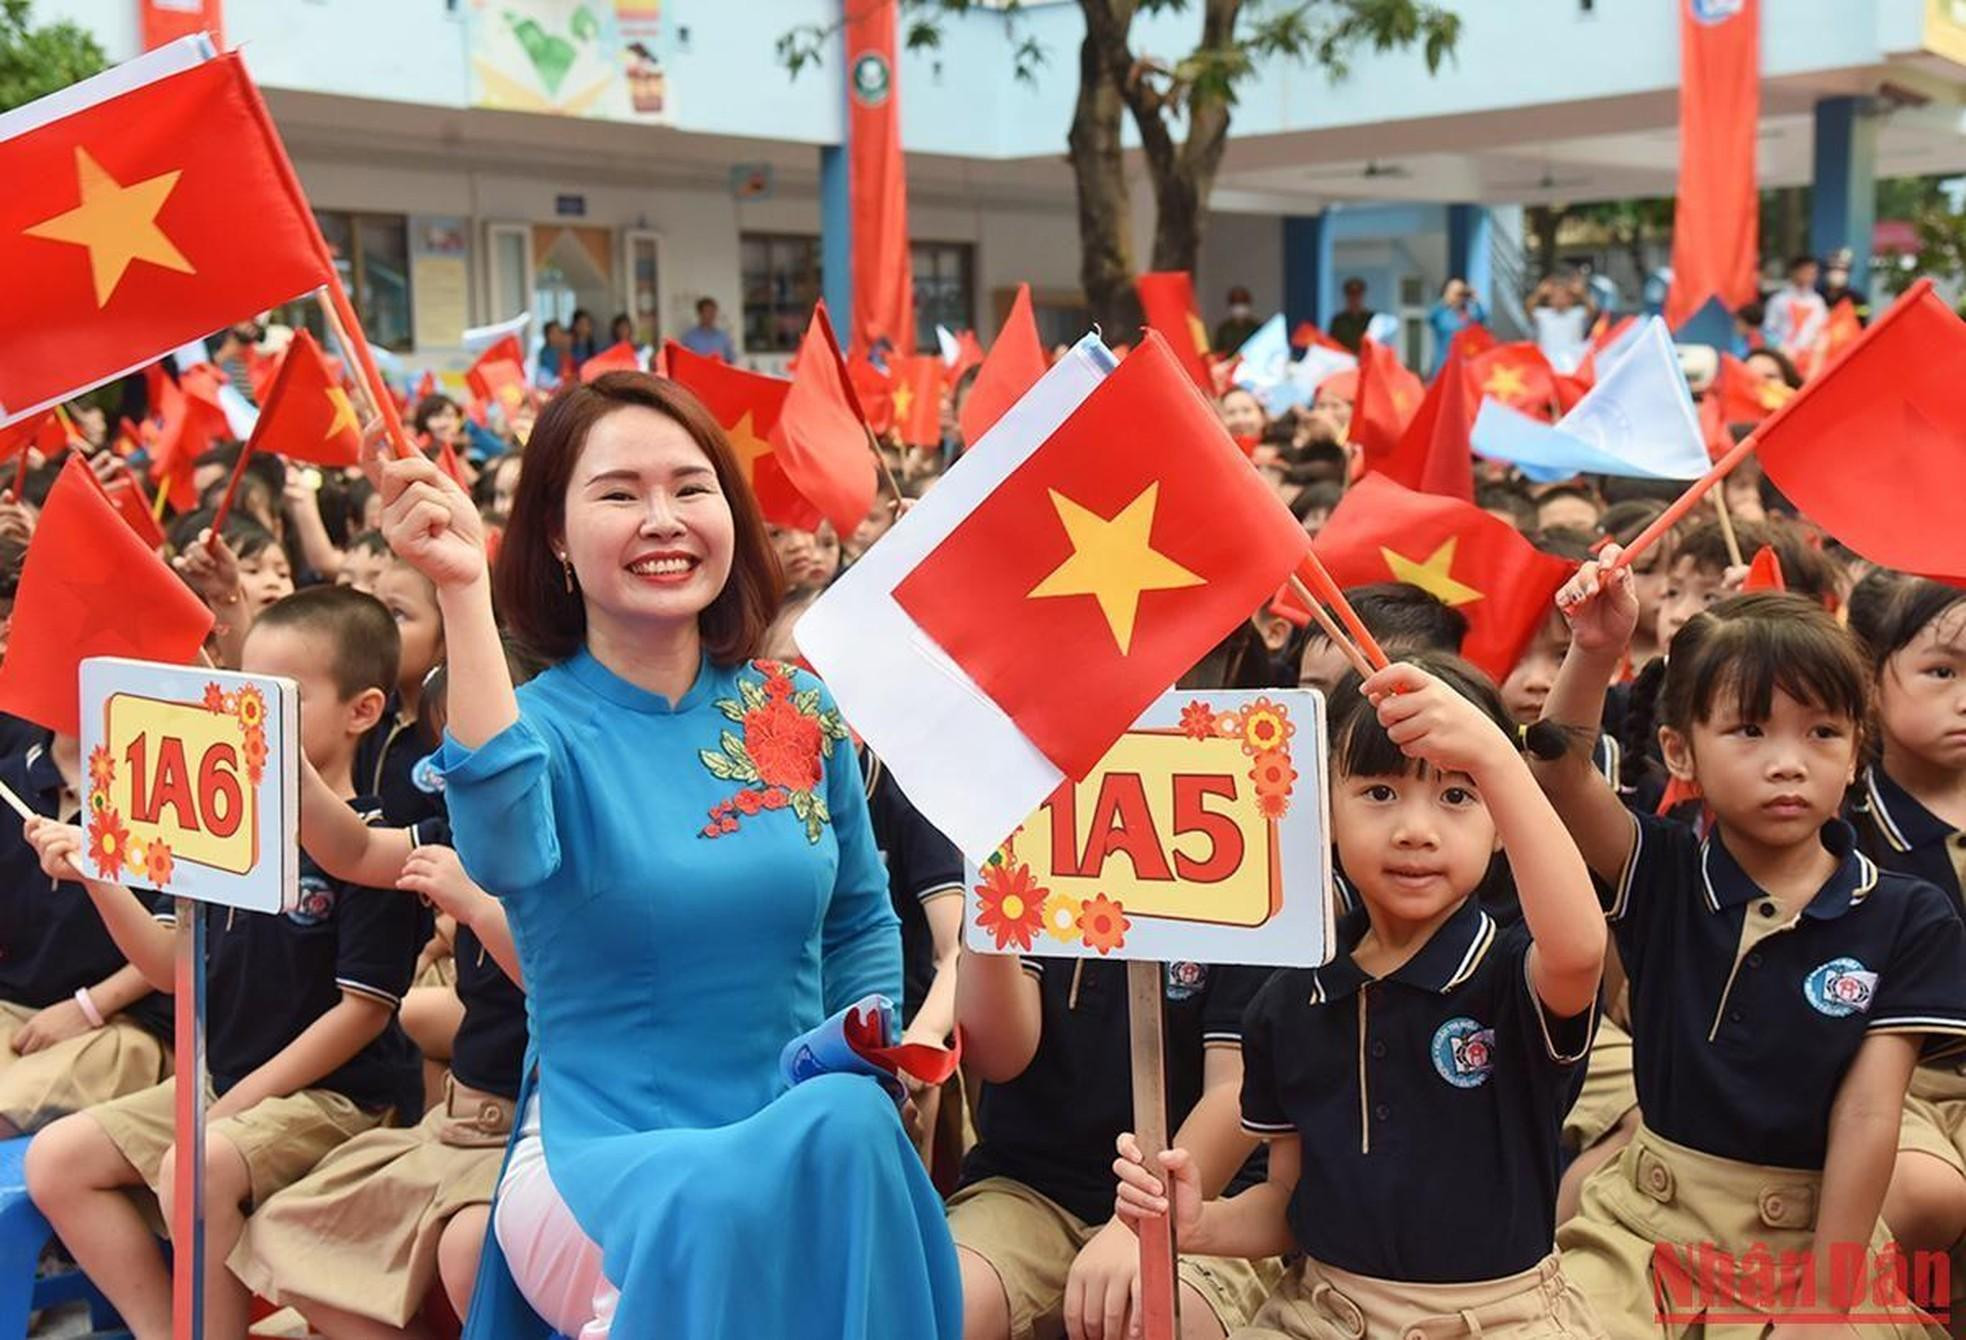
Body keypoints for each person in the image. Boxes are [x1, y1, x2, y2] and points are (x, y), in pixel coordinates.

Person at [376, 371, 960, 1337]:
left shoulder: (797, 709)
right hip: (605, 1148)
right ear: (556, 537)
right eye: (618, 494)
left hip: (802, 1127)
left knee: (854, 1129)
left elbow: (861, 918)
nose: (663, 519)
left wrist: (870, 1054)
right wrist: (460, 587)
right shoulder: (538, 730)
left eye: (692, 489)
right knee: (760, 1191)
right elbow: (506, 852)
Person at [1115, 655, 1606, 1339]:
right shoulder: (1285, 1003)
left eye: (1457, 796)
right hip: (1322, 1311)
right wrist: (1203, 1223)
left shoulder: (1515, 973)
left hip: (1506, 1319)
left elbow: (1583, 947)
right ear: (1325, 814)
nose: (1415, 829)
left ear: (1503, 827)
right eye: (1379, 793)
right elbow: (1289, 1202)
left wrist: (1495, 757)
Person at [1535, 562, 1966, 1337]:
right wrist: (1596, 651)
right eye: (1750, 730)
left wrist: (1830, 1303)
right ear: (1679, 750)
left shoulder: (1907, 914)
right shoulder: (1660, 869)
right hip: (1643, 1228)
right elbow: (1559, 773)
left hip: (1812, 1244)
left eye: (1822, 732)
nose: (1788, 761)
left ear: (1856, 748)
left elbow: (1869, 1112)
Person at [23, 587, 424, 1340]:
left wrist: (230, 1106)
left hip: (338, 1098)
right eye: (242, 692)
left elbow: (363, 1011)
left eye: (280, 698)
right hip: (226, 1082)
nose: (251, 717)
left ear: (362, 710)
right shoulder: (219, 816)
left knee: (194, 1165)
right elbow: (173, 967)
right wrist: (98, 876)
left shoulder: (373, 838)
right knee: (57, 1161)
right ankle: (166, 1330)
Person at [1840, 579, 1966, 1287]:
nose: (1965, 698)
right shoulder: (1842, 822)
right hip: (1888, 1080)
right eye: (1941, 672)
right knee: (1922, 1195)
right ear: (1870, 678)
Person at [0, 729, 170, 1138]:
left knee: (9, 1107)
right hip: (15, 1004)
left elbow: (178, 950)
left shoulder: (168, 792)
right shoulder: (10, 781)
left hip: (131, 1024)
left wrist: (87, 1009)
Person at [1762, 255, 1830, 363]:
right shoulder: (1779, 300)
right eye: (1805, 272)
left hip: (1809, 361)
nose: (1810, 276)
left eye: (1813, 273)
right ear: (1794, 272)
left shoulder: (1817, 302)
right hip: (1785, 359)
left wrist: (1818, 347)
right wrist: (1781, 346)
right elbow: (1767, 331)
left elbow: (1823, 329)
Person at [1529, 275, 1594, 375]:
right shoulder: (1543, 314)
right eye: (1555, 296)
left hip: (1572, 362)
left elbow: (1592, 309)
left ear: (1570, 299)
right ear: (1549, 300)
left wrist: (1582, 293)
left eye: (1563, 296)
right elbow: (1529, 308)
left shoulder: (1577, 314)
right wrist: (1539, 293)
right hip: (1547, 361)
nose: (1559, 299)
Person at [1427, 278, 1487, 374]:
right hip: (1444, 367)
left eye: (1460, 292)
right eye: (1454, 291)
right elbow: (1430, 317)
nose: (1457, 296)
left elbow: (1482, 318)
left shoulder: (1468, 315)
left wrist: (1475, 300)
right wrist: (1445, 301)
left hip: (1465, 366)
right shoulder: (1442, 315)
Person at [678, 296, 738, 364]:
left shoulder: (723, 337)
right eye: (707, 311)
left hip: (718, 373)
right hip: (697, 373)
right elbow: (682, 361)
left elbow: (730, 360)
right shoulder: (688, 338)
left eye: (713, 311)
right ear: (700, 313)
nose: (711, 315)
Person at [1328, 278, 1374, 353]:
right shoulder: (1338, 321)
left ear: (1362, 296)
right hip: (1344, 361)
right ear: (1346, 297)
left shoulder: (1372, 319)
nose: (1355, 299)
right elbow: (1331, 344)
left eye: (1358, 295)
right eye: (1351, 294)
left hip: (1366, 360)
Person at [1213, 286, 1261, 352]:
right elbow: (1217, 352)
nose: (1239, 304)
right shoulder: (1223, 329)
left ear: (1248, 302)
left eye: (1242, 301)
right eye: (1235, 301)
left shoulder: (1257, 328)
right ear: (1230, 304)